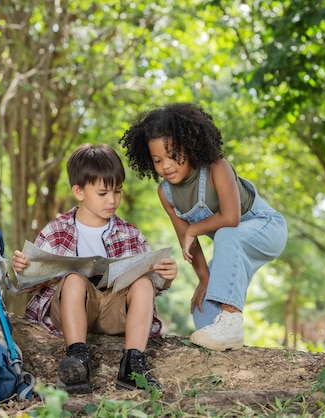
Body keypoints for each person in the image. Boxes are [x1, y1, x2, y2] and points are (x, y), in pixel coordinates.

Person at [119, 103, 287, 352]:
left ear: (191, 146)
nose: (166, 165)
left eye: (173, 155)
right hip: (233, 243)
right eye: (157, 159)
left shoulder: (217, 168)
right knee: (203, 310)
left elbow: (230, 218)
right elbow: (187, 242)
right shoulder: (166, 193)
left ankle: (231, 321)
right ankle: (224, 339)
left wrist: (193, 229)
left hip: (266, 228)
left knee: (226, 234)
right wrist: (204, 279)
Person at [11, 143, 178, 394]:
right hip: (72, 310)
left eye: (118, 192)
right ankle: (77, 359)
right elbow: (29, 283)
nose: (112, 200)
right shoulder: (56, 231)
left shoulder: (129, 233)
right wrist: (22, 268)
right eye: (103, 193)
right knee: (74, 280)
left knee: (143, 283)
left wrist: (165, 277)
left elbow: (151, 284)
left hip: (114, 311)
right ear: (79, 191)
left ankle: (132, 365)